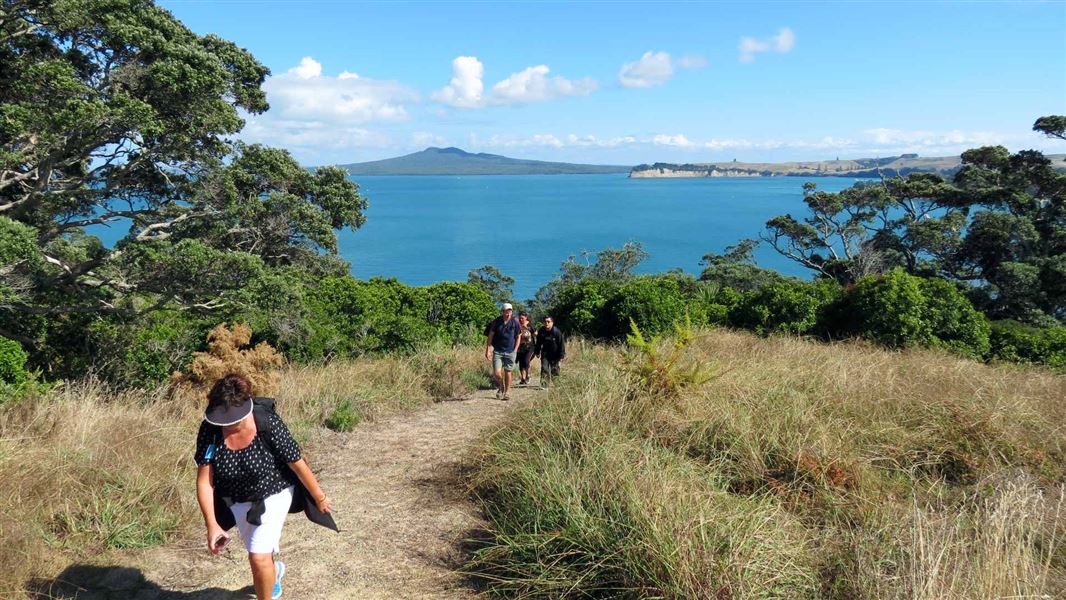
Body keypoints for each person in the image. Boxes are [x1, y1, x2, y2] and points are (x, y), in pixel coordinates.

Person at [195, 373, 332, 600]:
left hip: (274, 492)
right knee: (260, 553)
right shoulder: (210, 429)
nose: (226, 427)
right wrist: (212, 524)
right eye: (222, 422)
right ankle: (273, 574)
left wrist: (319, 497)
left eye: (232, 422)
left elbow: (296, 462)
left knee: (257, 556)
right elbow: (204, 482)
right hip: (237, 500)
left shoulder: (265, 422)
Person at [485, 302, 522, 400]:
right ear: (502, 312)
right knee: (497, 373)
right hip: (498, 350)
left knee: (508, 371)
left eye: (510, 310)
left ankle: (507, 392)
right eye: (506, 311)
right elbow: (491, 335)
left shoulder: (515, 322)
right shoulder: (496, 322)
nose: (508, 313)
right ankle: (501, 386)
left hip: (510, 351)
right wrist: (488, 349)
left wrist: (515, 349)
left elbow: (518, 336)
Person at [534, 315, 566, 386]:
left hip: (555, 354)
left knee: (555, 370)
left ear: (552, 322)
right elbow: (538, 342)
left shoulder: (557, 332)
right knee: (544, 368)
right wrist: (537, 352)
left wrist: (562, 355)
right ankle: (544, 385)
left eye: (548, 322)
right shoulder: (541, 331)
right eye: (545, 322)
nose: (546, 323)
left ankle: (557, 384)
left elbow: (561, 344)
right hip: (545, 353)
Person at [516, 313, 537, 385]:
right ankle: (523, 379)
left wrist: (527, 328)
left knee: (526, 360)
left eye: (522, 318)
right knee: (521, 362)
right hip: (520, 347)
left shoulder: (530, 325)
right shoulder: (518, 325)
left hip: (530, 346)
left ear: (526, 318)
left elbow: (536, 334)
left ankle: (528, 376)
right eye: (520, 318)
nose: (521, 319)